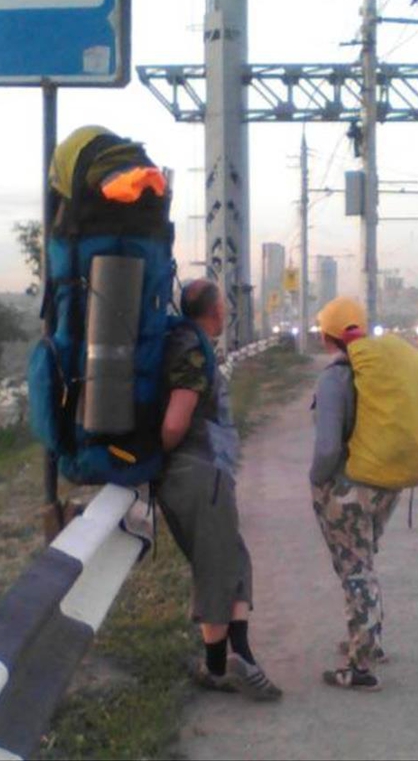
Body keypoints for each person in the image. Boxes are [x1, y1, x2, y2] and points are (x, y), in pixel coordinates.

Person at [156, 278, 282, 702]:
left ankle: (238, 654)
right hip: (199, 471)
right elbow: (176, 421)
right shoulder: (191, 350)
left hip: (209, 472)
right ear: (216, 312)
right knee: (216, 565)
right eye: (224, 307)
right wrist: (163, 459)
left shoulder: (193, 343)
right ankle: (219, 665)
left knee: (233, 559)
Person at [309, 297, 401, 691]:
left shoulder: (334, 379)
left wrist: (316, 480)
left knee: (354, 569)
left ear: (328, 336)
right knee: (364, 561)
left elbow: (329, 447)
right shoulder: (381, 371)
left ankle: (360, 666)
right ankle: (369, 641)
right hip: (386, 485)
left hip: (349, 490)